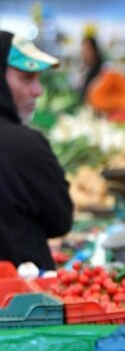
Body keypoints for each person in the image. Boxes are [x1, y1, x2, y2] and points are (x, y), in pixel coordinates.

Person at [0, 31, 73, 271]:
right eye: (26, 78)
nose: (38, 90)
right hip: (21, 301)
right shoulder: (26, 146)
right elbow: (60, 221)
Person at [80, 35, 104, 102]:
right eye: (83, 49)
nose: (83, 53)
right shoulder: (88, 69)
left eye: (87, 49)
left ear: (95, 50)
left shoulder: (102, 71)